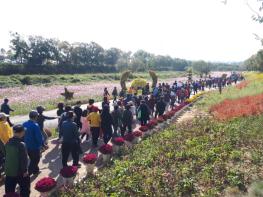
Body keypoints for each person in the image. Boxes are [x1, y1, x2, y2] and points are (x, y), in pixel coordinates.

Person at [4, 124, 30, 197]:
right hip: (20, 172)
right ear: (21, 133)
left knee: (9, 191)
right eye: (23, 131)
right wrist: (25, 171)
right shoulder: (21, 144)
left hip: (9, 172)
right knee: (25, 189)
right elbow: (24, 159)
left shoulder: (8, 142)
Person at [23, 111, 43, 175]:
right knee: (36, 160)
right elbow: (39, 137)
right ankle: (28, 173)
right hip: (34, 146)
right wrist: (42, 145)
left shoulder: (24, 123)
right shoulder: (35, 125)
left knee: (32, 158)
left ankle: (36, 171)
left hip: (26, 145)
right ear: (36, 117)